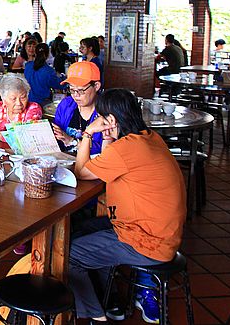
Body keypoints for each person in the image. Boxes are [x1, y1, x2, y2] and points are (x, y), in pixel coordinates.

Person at [70, 88, 186, 324]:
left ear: (110, 120)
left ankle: (96, 315)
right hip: (157, 231)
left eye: (101, 118)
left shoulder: (127, 149)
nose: (99, 121)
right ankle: (105, 298)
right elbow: (107, 165)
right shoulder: (148, 137)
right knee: (80, 228)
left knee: (68, 253)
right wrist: (109, 138)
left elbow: (81, 173)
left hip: (147, 241)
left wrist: (89, 134)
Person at [52, 61, 105, 155]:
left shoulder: (106, 111)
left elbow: (106, 148)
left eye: (81, 90)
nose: (76, 95)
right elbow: (57, 136)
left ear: (96, 86)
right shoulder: (66, 105)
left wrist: (72, 141)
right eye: (72, 90)